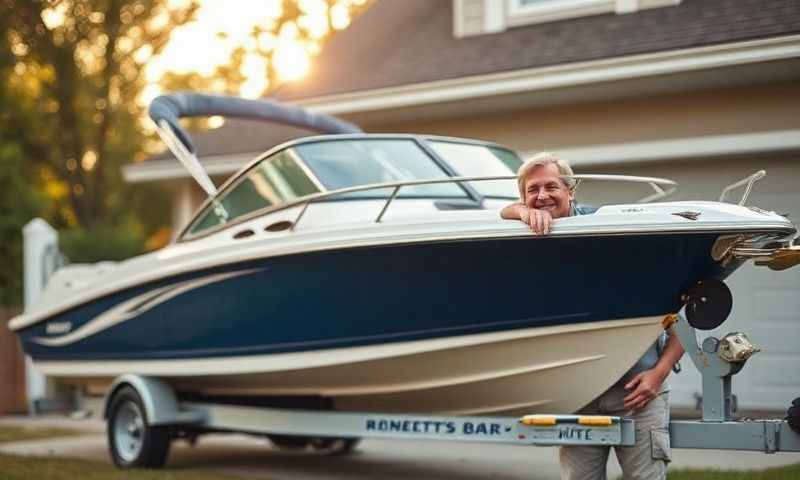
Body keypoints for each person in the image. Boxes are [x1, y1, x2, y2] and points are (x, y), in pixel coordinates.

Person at [501, 152, 684, 480]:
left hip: (639, 395)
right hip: (579, 394)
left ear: (571, 191)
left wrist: (659, 373)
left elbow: (685, 316)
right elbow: (502, 212)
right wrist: (519, 211)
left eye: (551, 187)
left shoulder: (612, 229)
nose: (542, 196)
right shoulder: (521, 232)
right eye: (533, 190)